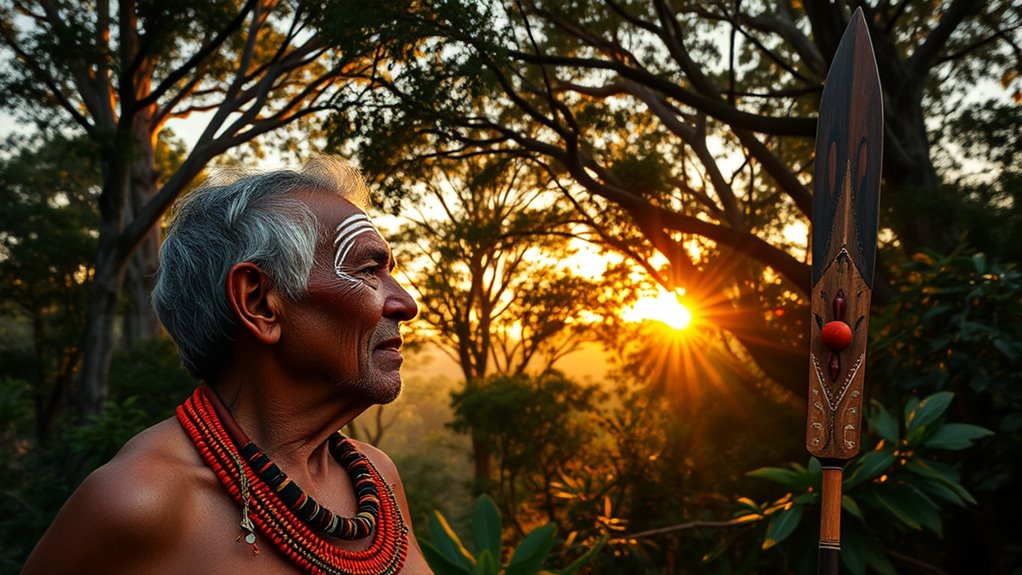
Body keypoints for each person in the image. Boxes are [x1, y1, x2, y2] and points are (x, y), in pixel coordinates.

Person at [22, 158, 432, 574]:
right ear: (258, 301)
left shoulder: (377, 479)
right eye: (367, 270)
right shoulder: (140, 500)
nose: (406, 304)